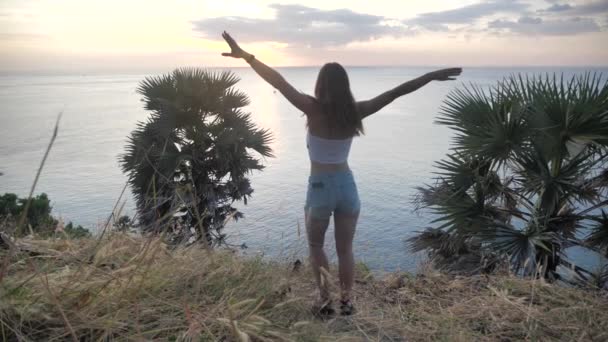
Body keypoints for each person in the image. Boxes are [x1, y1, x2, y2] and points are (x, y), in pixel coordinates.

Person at [221, 31, 462, 316]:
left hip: (320, 186)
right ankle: (347, 302)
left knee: (315, 245)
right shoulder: (357, 111)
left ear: (320, 85)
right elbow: (396, 92)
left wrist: (247, 56)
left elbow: (278, 81)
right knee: (345, 249)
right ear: (345, 85)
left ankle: (325, 301)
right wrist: (431, 76)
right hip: (348, 187)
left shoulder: (311, 108)